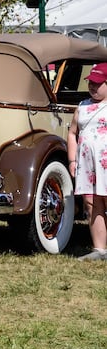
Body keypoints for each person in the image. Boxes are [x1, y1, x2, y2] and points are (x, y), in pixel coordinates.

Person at [70, 63, 107, 261]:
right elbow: (72, 132)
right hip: (87, 164)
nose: (93, 87)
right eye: (91, 82)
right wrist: (71, 160)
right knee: (91, 204)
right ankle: (99, 249)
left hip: (105, 163)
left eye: (98, 83)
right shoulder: (82, 106)